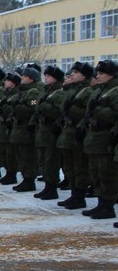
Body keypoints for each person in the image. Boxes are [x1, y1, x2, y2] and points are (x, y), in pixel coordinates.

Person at [80, 59, 118, 220]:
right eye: (98, 73)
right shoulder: (99, 91)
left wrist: (99, 111)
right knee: (95, 173)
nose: (99, 76)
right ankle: (101, 204)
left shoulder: (115, 91)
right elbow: (88, 113)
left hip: (105, 137)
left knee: (106, 174)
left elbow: (113, 114)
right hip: (94, 138)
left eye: (102, 73)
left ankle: (108, 206)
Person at [57, 63, 93, 209]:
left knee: (80, 167)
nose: (72, 74)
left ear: (84, 75)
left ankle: (79, 197)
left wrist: (70, 111)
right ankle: (74, 195)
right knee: (70, 167)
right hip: (68, 133)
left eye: (76, 72)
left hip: (79, 133)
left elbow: (86, 112)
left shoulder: (88, 90)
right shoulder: (73, 90)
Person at [32, 66, 65, 200]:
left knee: (51, 161)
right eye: (45, 76)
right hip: (42, 131)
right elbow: (36, 104)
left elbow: (57, 111)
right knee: (43, 161)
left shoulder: (59, 93)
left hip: (51, 131)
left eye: (49, 76)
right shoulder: (46, 92)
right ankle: (47, 187)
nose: (46, 78)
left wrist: (42, 106)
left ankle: (52, 188)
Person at [9, 66, 42, 192]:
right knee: (21, 156)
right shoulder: (23, 91)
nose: (21, 78)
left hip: (26, 128)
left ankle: (29, 180)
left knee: (28, 157)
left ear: (31, 78)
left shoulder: (33, 92)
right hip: (19, 128)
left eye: (24, 76)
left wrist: (18, 106)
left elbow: (33, 107)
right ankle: (25, 179)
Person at [0, 73, 22, 186]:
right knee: (4, 153)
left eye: (8, 80)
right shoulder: (6, 94)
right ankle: (8, 174)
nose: (5, 82)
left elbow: (11, 109)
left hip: (10, 127)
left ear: (13, 83)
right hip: (2, 127)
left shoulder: (16, 94)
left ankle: (12, 175)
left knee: (10, 154)